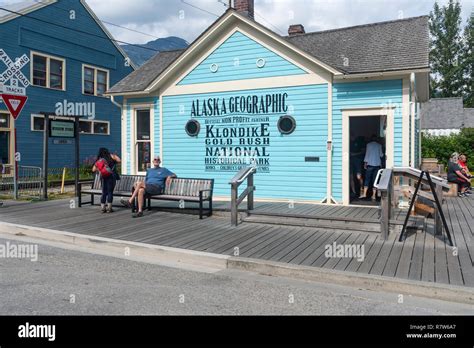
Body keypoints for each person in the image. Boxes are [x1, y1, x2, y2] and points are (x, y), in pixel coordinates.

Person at [92, 148, 121, 213]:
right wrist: (114, 156)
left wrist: (101, 169)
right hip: (112, 176)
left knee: (104, 192)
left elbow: (93, 169)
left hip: (103, 177)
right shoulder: (112, 156)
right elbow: (119, 160)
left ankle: (103, 208)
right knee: (110, 192)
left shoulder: (100, 160)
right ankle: (109, 208)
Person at [360, 135, 384, 200]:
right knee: (375, 180)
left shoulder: (368, 145)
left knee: (367, 179)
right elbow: (381, 155)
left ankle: (365, 194)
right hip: (377, 165)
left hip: (370, 164)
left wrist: (365, 163)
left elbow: (367, 154)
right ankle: (373, 195)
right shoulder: (379, 145)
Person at [350, 134, 366, 199]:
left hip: (358, 161)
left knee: (359, 177)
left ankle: (361, 191)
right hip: (350, 162)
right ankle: (354, 192)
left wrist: (354, 154)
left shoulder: (359, 142)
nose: (351, 137)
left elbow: (363, 152)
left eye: (352, 135)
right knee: (351, 177)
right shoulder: (349, 143)